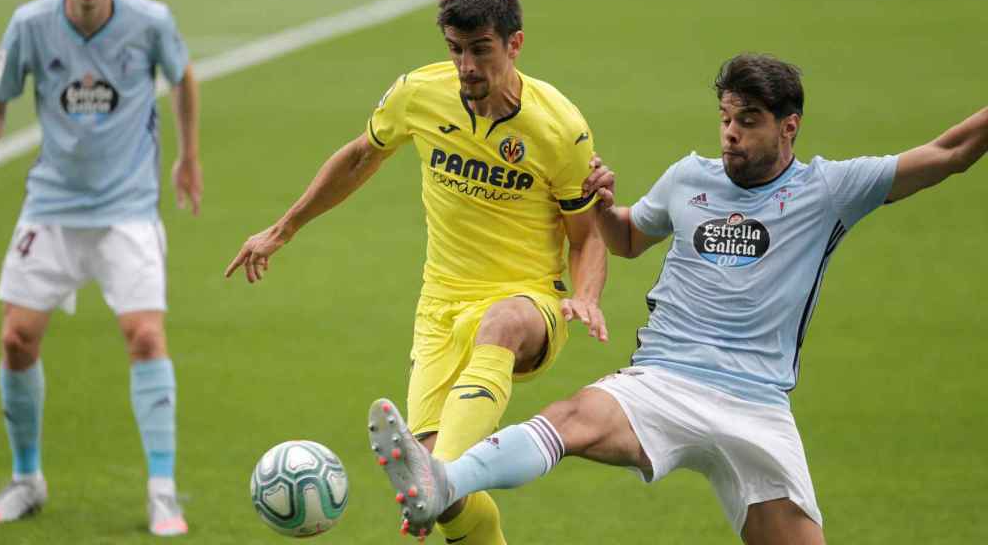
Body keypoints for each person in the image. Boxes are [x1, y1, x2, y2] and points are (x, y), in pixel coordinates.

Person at [367, 53, 987, 544]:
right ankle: (444, 481)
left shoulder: (829, 190)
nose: (730, 135)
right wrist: (606, 210)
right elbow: (631, 238)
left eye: (748, 122)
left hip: (757, 405)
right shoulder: (690, 177)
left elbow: (950, 153)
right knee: (570, 420)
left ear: (788, 126)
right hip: (663, 380)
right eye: (726, 118)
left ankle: (446, 478)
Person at [226, 0, 606, 544]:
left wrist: (585, 297)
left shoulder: (560, 128)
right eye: (456, 49)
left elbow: (587, 234)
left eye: (481, 49)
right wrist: (283, 230)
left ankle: (437, 474)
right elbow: (360, 157)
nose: (467, 66)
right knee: (451, 508)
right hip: (439, 311)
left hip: (529, 300)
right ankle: (441, 482)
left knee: (497, 331)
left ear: (514, 44)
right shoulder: (418, 94)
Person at [0, 0, 201, 536]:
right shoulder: (31, 25)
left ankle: (162, 491)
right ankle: (27, 479)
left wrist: (188, 155)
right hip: (51, 205)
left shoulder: (151, 21)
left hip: (129, 208)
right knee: (15, 339)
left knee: (146, 336)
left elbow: (184, 78)